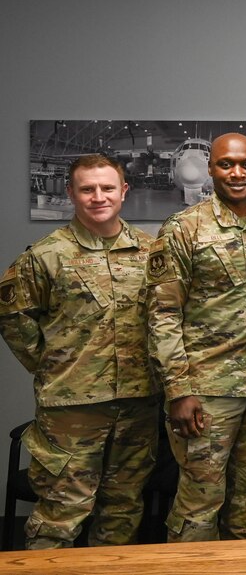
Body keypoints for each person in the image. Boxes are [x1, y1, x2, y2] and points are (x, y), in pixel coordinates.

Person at [146, 132, 246, 541]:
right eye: (226, 164)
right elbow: (163, 314)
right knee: (200, 501)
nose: (237, 173)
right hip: (206, 391)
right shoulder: (184, 228)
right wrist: (178, 390)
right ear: (211, 168)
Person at [0, 155, 158, 549]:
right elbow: (14, 319)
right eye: (87, 189)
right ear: (71, 193)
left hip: (138, 404)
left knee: (123, 509)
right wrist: (58, 366)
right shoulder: (45, 256)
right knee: (61, 512)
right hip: (72, 409)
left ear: (124, 191)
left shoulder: (151, 251)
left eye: (107, 188)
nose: (98, 197)